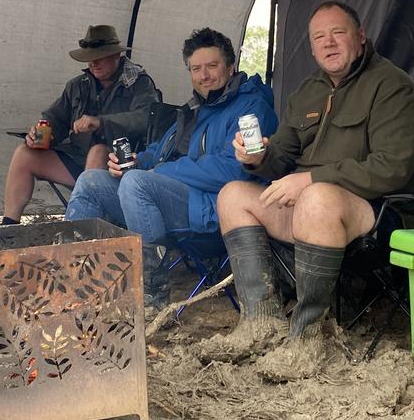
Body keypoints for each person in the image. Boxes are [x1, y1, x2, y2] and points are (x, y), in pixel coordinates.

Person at [203, 0, 414, 379]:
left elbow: (393, 168)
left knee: (318, 197)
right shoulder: (308, 91)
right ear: (311, 48)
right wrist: (257, 157)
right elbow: (282, 155)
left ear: (360, 37)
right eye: (318, 38)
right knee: (232, 195)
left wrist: (310, 180)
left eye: (337, 33)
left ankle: (309, 338)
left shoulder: (394, 88)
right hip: (310, 206)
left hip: (381, 210)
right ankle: (261, 322)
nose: (328, 43)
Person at [65, 28, 277, 306]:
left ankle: (152, 295)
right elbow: (162, 151)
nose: (204, 75)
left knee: (136, 183)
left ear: (230, 66)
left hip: (213, 212)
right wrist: (137, 161)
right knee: (91, 180)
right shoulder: (197, 108)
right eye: (196, 68)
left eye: (212, 66)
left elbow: (233, 170)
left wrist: (155, 173)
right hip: (169, 201)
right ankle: (73, 280)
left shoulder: (251, 108)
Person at [1, 24, 160, 225]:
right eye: (89, 58)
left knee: (98, 151)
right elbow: (55, 118)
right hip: (76, 159)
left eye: (99, 57)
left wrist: (101, 123)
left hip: (118, 168)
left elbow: (146, 119)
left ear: (115, 56)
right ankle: (8, 229)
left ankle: (81, 232)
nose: (93, 63)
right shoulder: (78, 85)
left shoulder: (138, 83)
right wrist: (41, 134)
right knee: (24, 153)